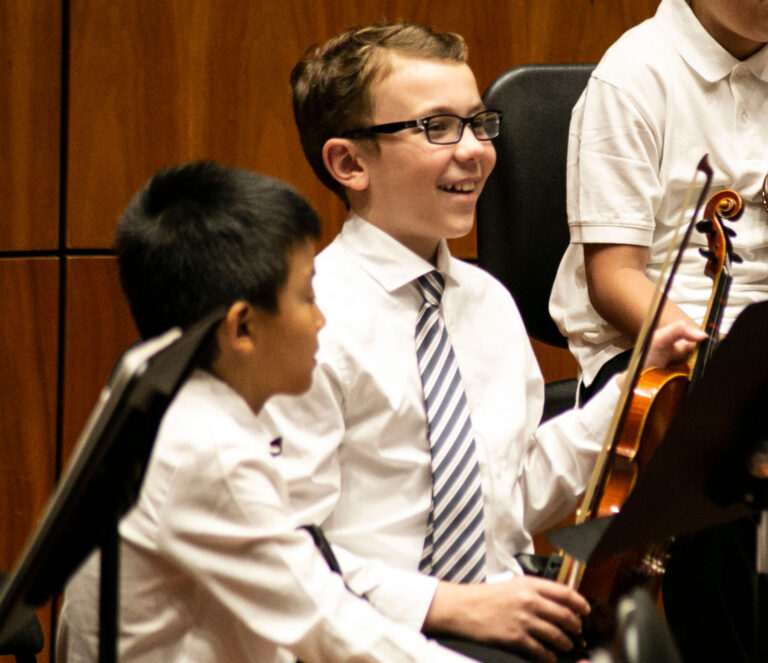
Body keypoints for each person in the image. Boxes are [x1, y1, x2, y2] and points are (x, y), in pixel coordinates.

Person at [260, 23, 705, 663]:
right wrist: (445, 605)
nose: (474, 151)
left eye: (478, 123)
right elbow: (283, 549)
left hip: (504, 619)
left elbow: (514, 493)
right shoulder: (312, 321)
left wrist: (641, 388)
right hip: (370, 634)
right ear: (348, 163)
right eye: (437, 127)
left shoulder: (488, 304)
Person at [56, 160, 479, 663]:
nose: (322, 319)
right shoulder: (207, 451)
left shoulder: (164, 384)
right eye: (307, 297)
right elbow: (330, 626)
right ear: (242, 328)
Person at [548, 0, 768, 660]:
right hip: (657, 344)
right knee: (721, 447)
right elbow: (614, 277)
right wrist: (720, 360)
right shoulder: (635, 75)